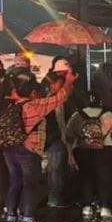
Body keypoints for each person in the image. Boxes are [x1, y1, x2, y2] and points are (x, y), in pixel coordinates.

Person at [0, 67, 78, 222]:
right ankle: (28, 219)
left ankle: (10, 217)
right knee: (30, 183)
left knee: (15, 182)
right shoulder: (35, 105)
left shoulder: (8, 106)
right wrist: (68, 81)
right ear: (31, 92)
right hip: (28, 149)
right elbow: (60, 97)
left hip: (9, 149)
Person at [66, 90, 112, 220]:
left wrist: (70, 154)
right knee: (104, 178)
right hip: (104, 150)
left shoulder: (76, 115)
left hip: (82, 151)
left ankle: (87, 207)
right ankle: (104, 207)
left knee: (86, 177)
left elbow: (69, 137)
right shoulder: (108, 115)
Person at [40, 71, 73, 208]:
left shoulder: (45, 98)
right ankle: (54, 199)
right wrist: (65, 139)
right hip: (55, 138)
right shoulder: (55, 101)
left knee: (53, 170)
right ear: (53, 84)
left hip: (48, 138)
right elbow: (60, 122)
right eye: (61, 83)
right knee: (56, 170)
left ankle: (53, 197)